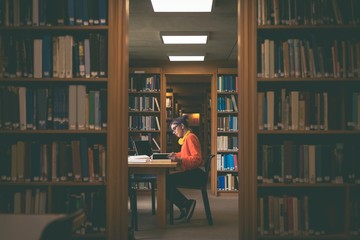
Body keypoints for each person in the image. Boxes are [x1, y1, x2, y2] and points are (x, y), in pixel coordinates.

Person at [166, 114, 205, 223]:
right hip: (194, 172)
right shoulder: (187, 138)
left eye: (174, 129)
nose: (173, 132)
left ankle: (186, 204)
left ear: (182, 126)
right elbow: (186, 154)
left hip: (197, 174)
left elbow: (197, 159)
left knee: (166, 181)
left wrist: (180, 160)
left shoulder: (191, 138)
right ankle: (185, 206)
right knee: (167, 181)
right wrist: (177, 155)